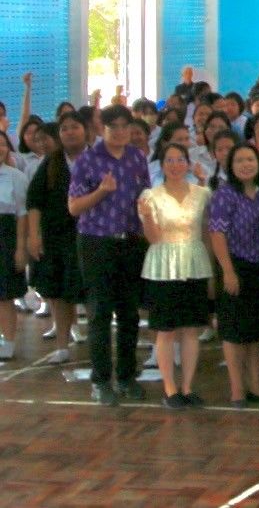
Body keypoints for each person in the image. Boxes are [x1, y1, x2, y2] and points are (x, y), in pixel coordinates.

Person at [68, 104, 151, 407]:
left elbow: (145, 196)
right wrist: (101, 192)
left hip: (130, 242)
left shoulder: (137, 157)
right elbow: (74, 207)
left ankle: (127, 377)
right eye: (112, 126)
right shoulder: (88, 160)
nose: (119, 132)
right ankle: (101, 380)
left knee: (129, 313)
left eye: (124, 126)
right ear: (101, 128)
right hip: (96, 243)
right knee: (100, 312)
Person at [137, 143, 213, 409]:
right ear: (161, 165)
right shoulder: (151, 196)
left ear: (188, 163)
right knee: (166, 330)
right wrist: (147, 217)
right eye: (169, 160)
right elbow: (153, 238)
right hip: (163, 266)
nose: (175, 165)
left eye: (180, 159)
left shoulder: (202, 193)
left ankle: (188, 386)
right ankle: (170, 388)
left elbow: (208, 228)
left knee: (191, 329)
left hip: (194, 263)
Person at [208, 142, 259, 408]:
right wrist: (228, 271)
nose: (246, 165)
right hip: (234, 266)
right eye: (239, 161)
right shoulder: (224, 195)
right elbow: (217, 233)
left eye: (250, 159)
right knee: (234, 331)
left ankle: (256, 384)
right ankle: (237, 389)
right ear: (231, 166)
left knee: (256, 331)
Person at [24, 113, 88, 364]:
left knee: (92, 293)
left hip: (92, 235)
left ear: (85, 130)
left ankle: (99, 345)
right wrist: (34, 235)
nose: (70, 132)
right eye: (65, 128)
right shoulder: (52, 161)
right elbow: (34, 200)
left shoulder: (97, 158)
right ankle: (62, 346)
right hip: (56, 237)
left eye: (75, 127)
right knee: (59, 292)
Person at [0, 132, 28, 360]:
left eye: (2, 145)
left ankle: (8, 342)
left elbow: (22, 214)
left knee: (4, 295)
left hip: (5, 237)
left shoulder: (15, 177)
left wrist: (20, 247)